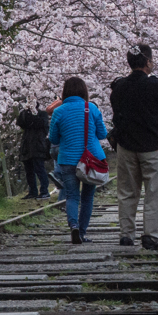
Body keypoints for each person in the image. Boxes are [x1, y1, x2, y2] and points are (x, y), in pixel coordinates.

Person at [110, 45, 158, 250]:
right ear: (148, 62)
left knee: (126, 191)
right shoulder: (156, 85)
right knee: (153, 191)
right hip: (151, 145)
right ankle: (150, 235)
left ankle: (126, 235)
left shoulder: (119, 86)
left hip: (126, 145)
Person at [49, 76, 108, 245]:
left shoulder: (58, 111)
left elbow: (53, 137)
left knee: (72, 196)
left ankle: (73, 225)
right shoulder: (92, 108)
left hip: (68, 158)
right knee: (88, 197)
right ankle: (82, 232)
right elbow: (102, 134)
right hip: (91, 160)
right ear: (84, 91)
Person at [17, 104, 51, 200]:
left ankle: (44, 191)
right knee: (29, 171)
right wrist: (25, 112)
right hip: (27, 145)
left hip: (38, 145)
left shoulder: (42, 114)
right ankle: (32, 191)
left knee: (39, 169)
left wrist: (33, 114)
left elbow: (40, 124)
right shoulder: (25, 114)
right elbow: (20, 122)